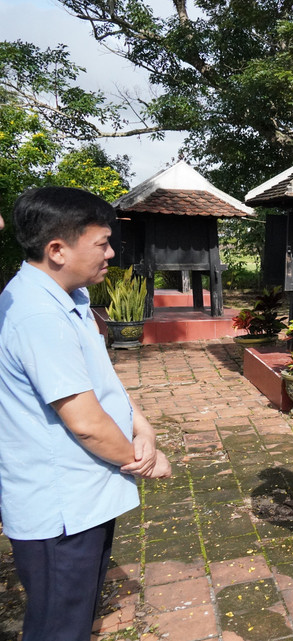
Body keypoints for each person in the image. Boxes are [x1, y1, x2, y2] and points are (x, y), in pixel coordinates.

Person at [0, 187, 172, 641]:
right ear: (57, 250)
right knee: (60, 624)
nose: (111, 254)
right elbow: (87, 422)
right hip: (61, 505)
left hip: (83, 496)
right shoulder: (39, 316)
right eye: (102, 243)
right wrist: (145, 460)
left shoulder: (69, 299)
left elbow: (102, 383)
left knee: (74, 612)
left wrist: (143, 427)